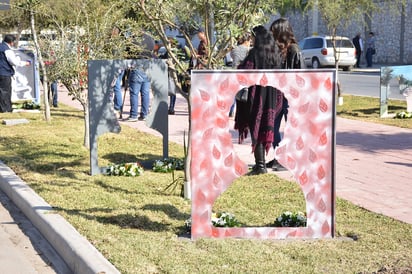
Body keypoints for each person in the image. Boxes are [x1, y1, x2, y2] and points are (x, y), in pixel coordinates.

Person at [234, 25, 281, 175]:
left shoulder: (255, 53)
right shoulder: (275, 53)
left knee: (257, 124)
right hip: (272, 95)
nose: (252, 39)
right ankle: (260, 164)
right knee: (265, 126)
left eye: (253, 37)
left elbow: (245, 70)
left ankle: (260, 165)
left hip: (258, 95)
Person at [269, 17, 304, 171]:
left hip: (291, 97)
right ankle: (279, 156)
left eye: (274, 33)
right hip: (277, 95)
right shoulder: (277, 50)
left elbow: (303, 76)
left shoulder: (295, 50)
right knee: (272, 127)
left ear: (281, 33)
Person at [125, 32, 154, 122]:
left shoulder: (133, 39)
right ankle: (144, 114)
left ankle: (134, 115)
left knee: (134, 93)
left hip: (137, 66)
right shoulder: (150, 38)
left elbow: (127, 52)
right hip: (147, 67)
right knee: (145, 93)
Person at [0, 34, 31, 112]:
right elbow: (14, 62)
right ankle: (6, 109)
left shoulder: (1, 47)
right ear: (11, 42)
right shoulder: (7, 49)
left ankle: (3, 108)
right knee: (5, 91)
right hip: (4, 73)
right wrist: (25, 63)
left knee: (1, 91)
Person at [229, 32, 252, 117]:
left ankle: (231, 110)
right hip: (244, 74)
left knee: (233, 94)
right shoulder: (248, 50)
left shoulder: (234, 49)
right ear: (247, 40)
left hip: (234, 73)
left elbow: (232, 56)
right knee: (243, 94)